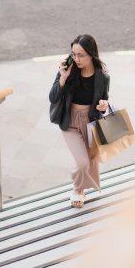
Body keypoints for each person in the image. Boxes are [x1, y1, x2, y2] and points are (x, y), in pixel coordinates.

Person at [49, 34, 110, 208]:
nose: (76, 59)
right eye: (73, 54)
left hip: (90, 122)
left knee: (90, 161)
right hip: (70, 123)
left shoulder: (102, 77)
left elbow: (103, 101)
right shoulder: (67, 71)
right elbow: (53, 97)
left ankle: (81, 189)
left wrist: (104, 105)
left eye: (81, 55)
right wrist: (62, 77)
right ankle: (77, 189)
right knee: (82, 162)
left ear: (91, 54)